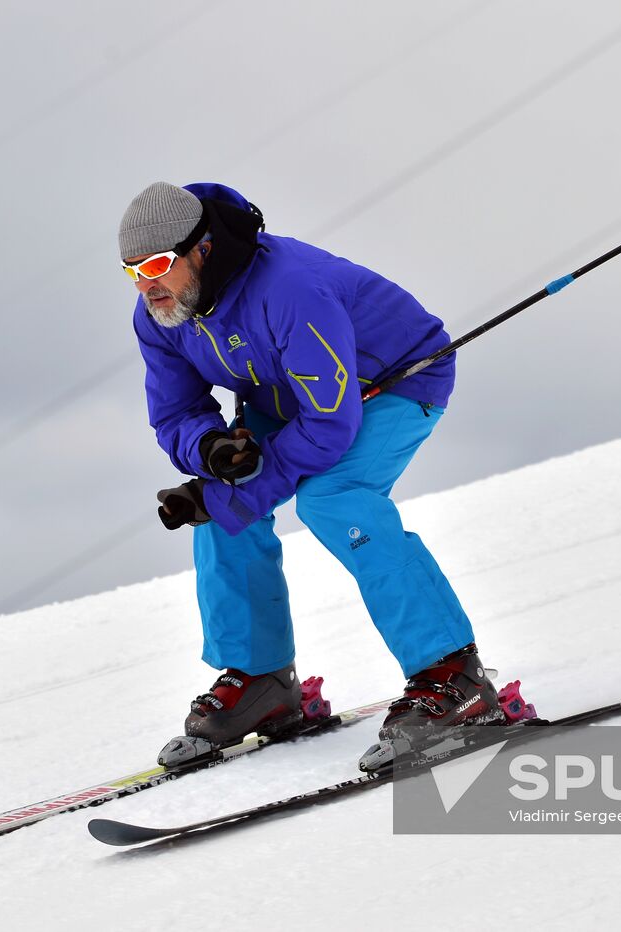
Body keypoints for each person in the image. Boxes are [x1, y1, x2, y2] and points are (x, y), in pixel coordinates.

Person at [121, 181, 504, 770]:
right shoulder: (163, 315)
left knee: (333, 497)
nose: (147, 285)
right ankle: (262, 683)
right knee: (219, 509)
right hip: (283, 398)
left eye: (156, 266)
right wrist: (213, 451)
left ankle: (453, 675)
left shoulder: (289, 289)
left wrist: (245, 492)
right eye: (132, 272)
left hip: (391, 382)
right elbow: (175, 412)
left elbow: (329, 423)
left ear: (200, 249)